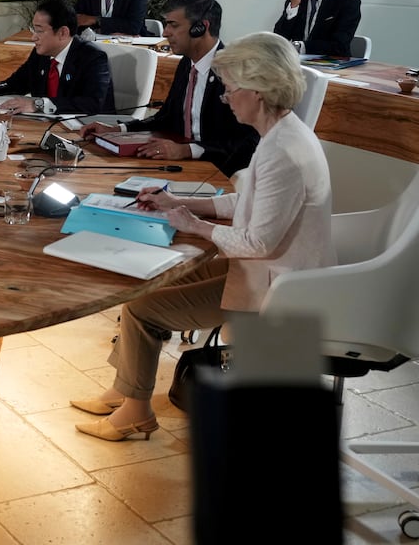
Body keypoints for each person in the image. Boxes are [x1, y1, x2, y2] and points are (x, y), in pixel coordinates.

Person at [70, 32, 334, 442]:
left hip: (276, 287)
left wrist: (193, 225)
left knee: (145, 308)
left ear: (258, 92)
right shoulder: (282, 134)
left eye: (230, 91)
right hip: (262, 270)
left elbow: (258, 242)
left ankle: (135, 409)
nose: (226, 100)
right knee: (144, 290)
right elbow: (248, 204)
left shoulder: (283, 150)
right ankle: (126, 392)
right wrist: (181, 204)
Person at [80, 0, 259, 177]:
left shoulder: (235, 71)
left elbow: (247, 142)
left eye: (173, 25)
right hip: (181, 166)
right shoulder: (186, 64)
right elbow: (166, 118)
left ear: (200, 28)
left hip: (221, 173)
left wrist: (186, 150)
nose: (165, 32)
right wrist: (117, 130)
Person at [0, 0, 114, 115]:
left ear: (63, 33)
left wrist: (38, 104)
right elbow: (14, 84)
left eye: (39, 30)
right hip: (44, 127)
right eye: (33, 29)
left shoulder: (93, 57)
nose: (33, 37)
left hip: (88, 134)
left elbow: (93, 103)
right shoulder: (41, 55)